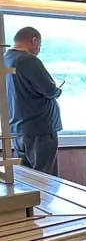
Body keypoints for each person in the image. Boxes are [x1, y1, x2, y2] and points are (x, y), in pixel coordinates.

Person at [3, 26, 62, 175]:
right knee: (46, 179)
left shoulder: (5, 60)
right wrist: (57, 90)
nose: (38, 50)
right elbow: (49, 90)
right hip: (39, 129)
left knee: (26, 179)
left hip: (17, 129)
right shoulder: (28, 60)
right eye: (39, 46)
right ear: (34, 40)